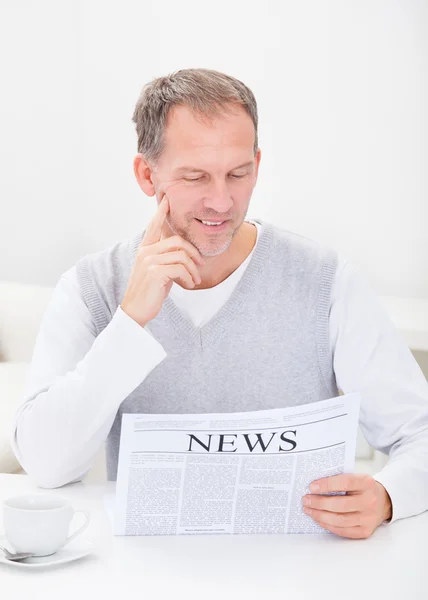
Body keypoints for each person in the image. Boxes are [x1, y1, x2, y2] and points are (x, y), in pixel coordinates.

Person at [11, 68, 428, 540]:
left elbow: (419, 433)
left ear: (258, 164)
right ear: (147, 175)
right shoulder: (91, 287)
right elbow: (46, 465)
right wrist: (129, 324)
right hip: (142, 577)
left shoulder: (326, 282)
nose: (221, 200)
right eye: (195, 176)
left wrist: (389, 495)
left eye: (238, 173)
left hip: (301, 574)